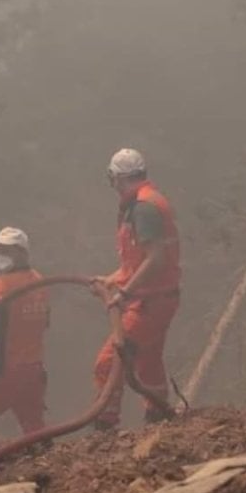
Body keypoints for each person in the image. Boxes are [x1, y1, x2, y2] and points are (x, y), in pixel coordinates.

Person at [92, 148, 181, 430]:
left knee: (109, 361)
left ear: (118, 178)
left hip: (149, 302)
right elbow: (137, 261)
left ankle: (105, 427)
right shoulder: (143, 204)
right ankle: (158, 418)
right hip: (157, 297)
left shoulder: (144, 208)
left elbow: (155, 259)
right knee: (149, 362)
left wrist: (125, 291)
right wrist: (111, 280)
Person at [0, 227, 51, 438]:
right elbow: (44, 322)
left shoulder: (3, 284)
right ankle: (44, 465)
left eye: (7, 250)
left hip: (4, 369)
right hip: (33, 369)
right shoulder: (40, 281)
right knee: (34, 428)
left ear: (22, 253)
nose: (1, 254)